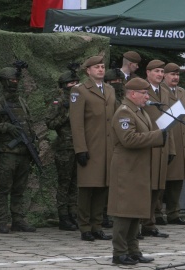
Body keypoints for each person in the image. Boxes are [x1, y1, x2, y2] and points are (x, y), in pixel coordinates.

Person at [108, 78, 166, 265]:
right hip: (127, 169)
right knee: (124, 212)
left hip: (138, 168)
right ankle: (119, 252)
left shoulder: (139, 111)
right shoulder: (124, 113)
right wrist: (159, 135)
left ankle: (133, 249)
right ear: (133, 94)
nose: (147, 97)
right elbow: (129, 139)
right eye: (144, 93)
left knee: (135, 210)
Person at [0, 63, 37, 234]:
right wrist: (6, 127)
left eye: (16, 80)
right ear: (5, 82)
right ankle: (2, 221)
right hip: (8, 152)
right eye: (12, 80)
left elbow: (28, 124)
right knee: (4, 188)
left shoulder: (22, 102)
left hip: (23, 152)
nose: (15, 83)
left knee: (19, 189)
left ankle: (18, 220)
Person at [69, 55, 116, 241]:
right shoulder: (79, 90)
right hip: (90, 147)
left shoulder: (110, 90)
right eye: (96, 67)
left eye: (103, 67)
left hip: (107, 148)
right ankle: (85, 227)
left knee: (102, 187)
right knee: (87, 189)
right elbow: (76, 122)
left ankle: (97, 226)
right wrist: (80, 148)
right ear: (88, 71)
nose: (101, 70)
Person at [155, 63, 185, 225]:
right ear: (164, 75)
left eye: (177, 75)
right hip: (167, 140)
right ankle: (157, 213)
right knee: (161, 179)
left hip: (181, 140)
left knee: (177, 179)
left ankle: (173, 213)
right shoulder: (159, 91)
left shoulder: (182, 92)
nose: (175, 78)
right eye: (172, 75)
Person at [140, 59, 174, 238]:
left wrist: (172, 148)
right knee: (146, 185)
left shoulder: (165, 91)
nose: (160, 75)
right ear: (148, 72)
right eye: (157, 71)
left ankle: (150, 223)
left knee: (158, 187)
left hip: (162, 144)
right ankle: (139, 222)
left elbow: (170, 120)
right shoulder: (141, 90)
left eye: (162, 71)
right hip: (147, 143)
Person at [45, 67, 80, 231]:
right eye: (71, 83)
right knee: (65, 183)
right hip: (65, 147)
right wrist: (66, 113)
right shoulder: (58, 101)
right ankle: (63, 216)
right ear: (64, 85)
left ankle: (73, 213)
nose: (74, 85)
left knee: (75, 183)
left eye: (76, 82)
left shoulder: (80, 99)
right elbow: (51, 123)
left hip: (80, 146)